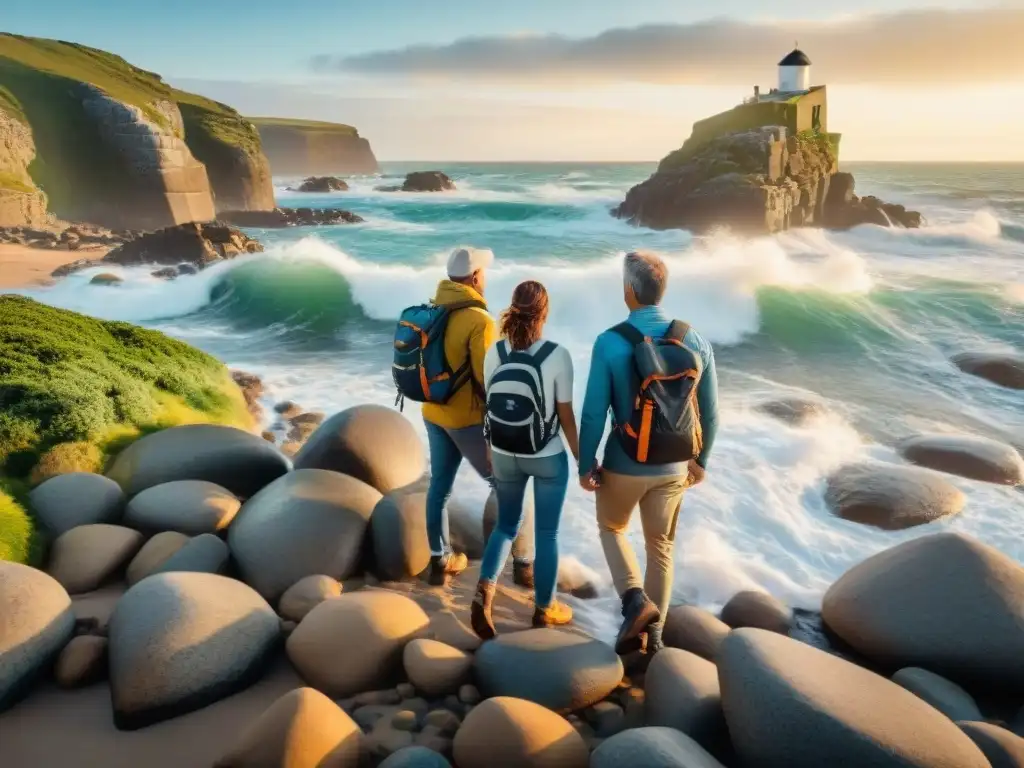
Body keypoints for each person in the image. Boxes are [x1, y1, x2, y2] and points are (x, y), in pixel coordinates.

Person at [579, 250, 719, 655]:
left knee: (613, 529)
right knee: (660, 547)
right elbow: (710, 413)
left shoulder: (609, 342)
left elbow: (593, 414)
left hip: (624, 462)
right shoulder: (695, 340)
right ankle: (654, 640)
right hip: (675, 466)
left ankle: (634, 602)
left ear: (628, 291)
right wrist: (701, 460)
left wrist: (586, 464)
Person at [471, 280, 580, 638]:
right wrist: (583, 461)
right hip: (545, 455)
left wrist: (489, 446)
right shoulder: (557, 355)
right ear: (544, 312)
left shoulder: (495, 353)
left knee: (506, 525)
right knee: (547, 534)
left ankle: (484, 591)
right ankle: (544, 609)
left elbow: (492, 405)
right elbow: (565, 417)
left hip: (504, 450)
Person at [422, 247, 535, 587]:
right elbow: (489, 380)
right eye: (483, 272)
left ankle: (439, 560)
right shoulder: (479, 320)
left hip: (432, 412)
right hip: (466, 419)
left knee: (439, 487)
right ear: (474, 278)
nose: (485, 277)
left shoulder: (433, 309)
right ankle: (525, 565)